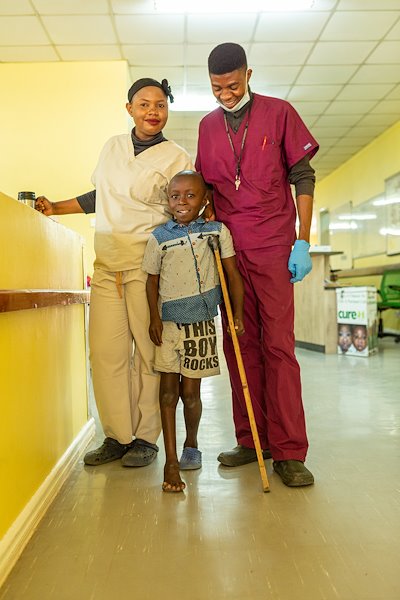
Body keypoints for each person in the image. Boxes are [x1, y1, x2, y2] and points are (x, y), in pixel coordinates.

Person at [35, 78, 193, 467]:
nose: (152, 111)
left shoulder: (177, 157)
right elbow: (98, 196)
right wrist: (55, 207)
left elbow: (186, 207)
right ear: (130, 109)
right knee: (106, 354)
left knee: (149, 354)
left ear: (166, 110)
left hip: (148, 267)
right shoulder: (113, 147)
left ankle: (145, 437)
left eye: (159, 105)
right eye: (143, 104)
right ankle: (117, 436)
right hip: (106, 266)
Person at [195, 42, 319, 487]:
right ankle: (252, 441)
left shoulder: (280, 112)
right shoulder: (208, 127)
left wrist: (302, 241)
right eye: (216, 88)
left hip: (272, 247)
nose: (225, 95)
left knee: (279, 348)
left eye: (231, 85)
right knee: (238, 345)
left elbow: (303, 175)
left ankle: (288, 450)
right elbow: (205, 189)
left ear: (249, 75)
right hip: (228, 253)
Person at [142, 170, 245, 492]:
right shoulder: (159, 237)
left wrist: (236, 314)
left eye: (191, 195)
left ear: (205, 199)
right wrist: (154, 320)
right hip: (170, 323)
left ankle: (191, 445)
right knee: (168, 394)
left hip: (201, 323)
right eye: (175, 196)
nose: (182, 201)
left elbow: (232, 274)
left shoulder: (216, 231)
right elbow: (152, 280)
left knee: (191, 394)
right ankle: (170, 462)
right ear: (168, 200)